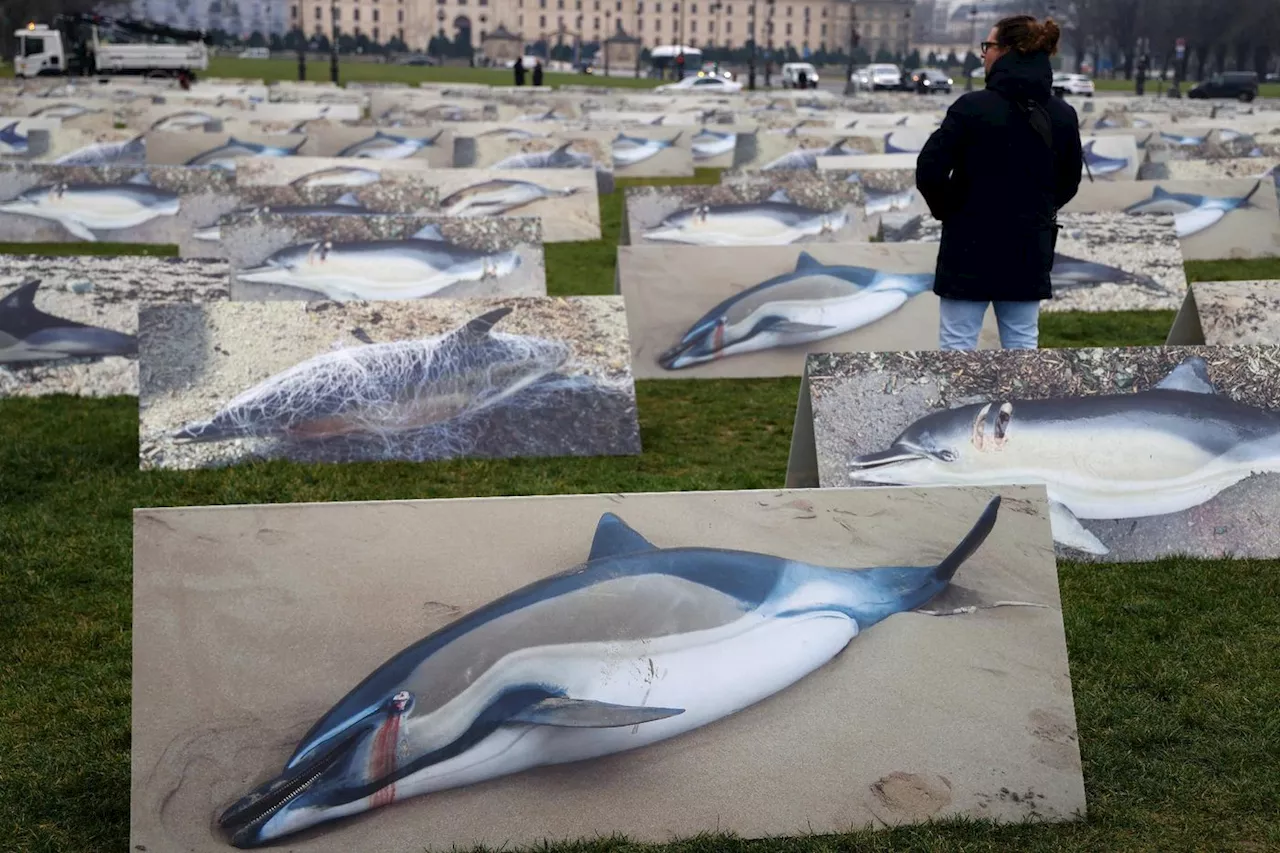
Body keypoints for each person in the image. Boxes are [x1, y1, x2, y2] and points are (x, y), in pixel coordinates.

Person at [916, 15, 1083, 351]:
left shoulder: (971, 108)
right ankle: (1018, 406)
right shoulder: (1062, 115)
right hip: (1028, 245)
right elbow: (1069, 180)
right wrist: (1037, 209)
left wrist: (951, 209)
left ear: (1007, 50)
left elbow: (929, 169)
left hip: (968, 244)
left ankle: (961, 406)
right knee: (1022, 346)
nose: (983, 54)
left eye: (988, 46)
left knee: (957, 347)